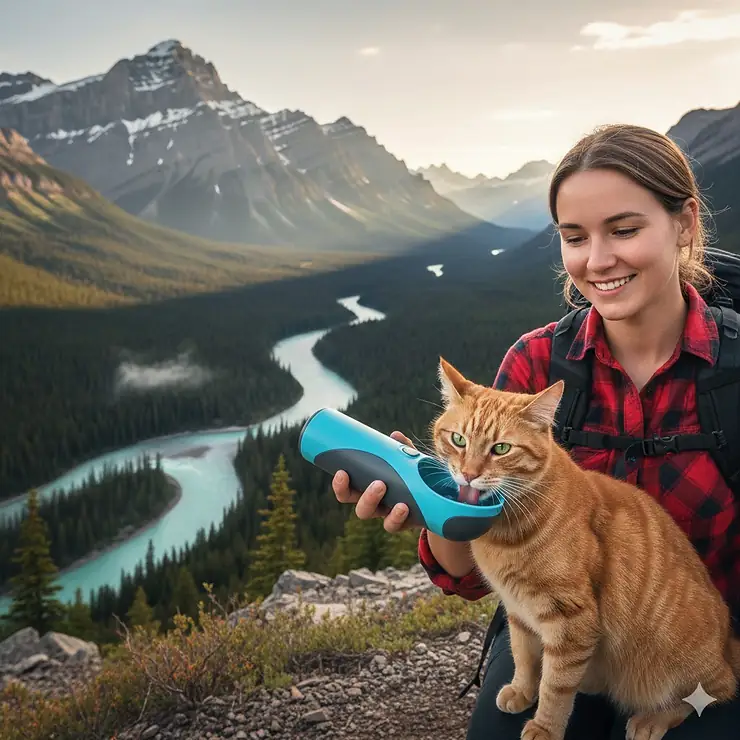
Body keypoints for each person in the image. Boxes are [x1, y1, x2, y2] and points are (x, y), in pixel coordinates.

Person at [331, 123, 740, 738]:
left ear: (683, 224)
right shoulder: (534, 366)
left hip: (672, 644)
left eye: (624, 230)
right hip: (545, 627)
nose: (596, 260)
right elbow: (468, 574)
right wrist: (434, 507)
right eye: (574, 237)